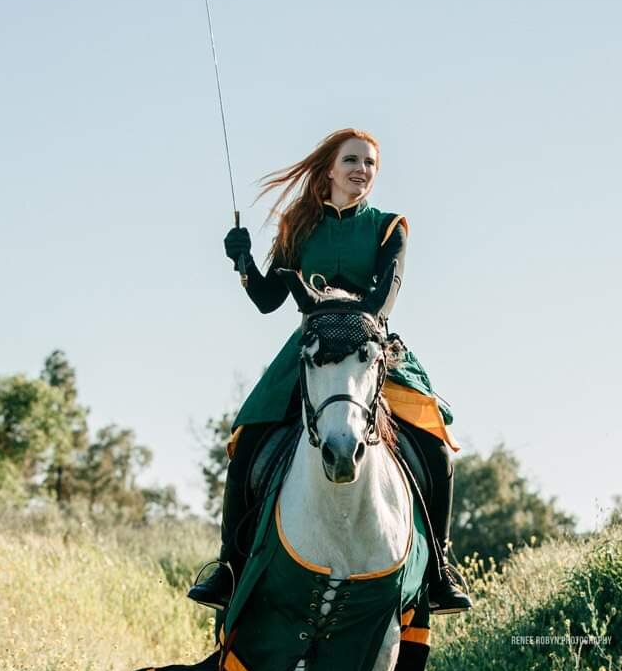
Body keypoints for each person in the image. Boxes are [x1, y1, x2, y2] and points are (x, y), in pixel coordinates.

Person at [188, 128, 471, 615]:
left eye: (370, 164)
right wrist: (242, 261)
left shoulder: (390, 227)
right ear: (331, 170)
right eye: (353, 161)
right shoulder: (297, 226)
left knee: (437, 444)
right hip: (311, 349)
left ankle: (439, 569)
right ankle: (228, 570)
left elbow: (384, 299)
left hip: (372, 349)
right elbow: (265, 300)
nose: (363, 170)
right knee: (248, 441)